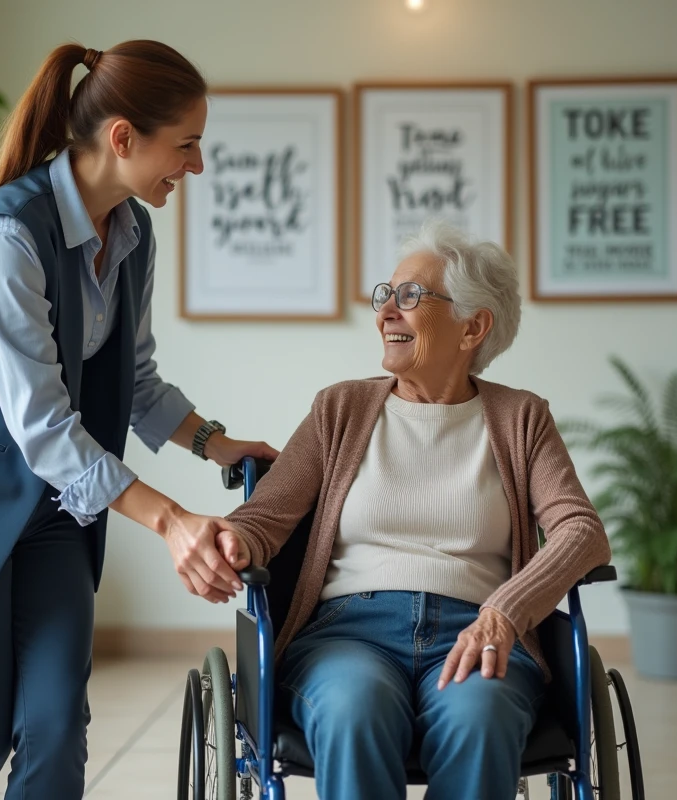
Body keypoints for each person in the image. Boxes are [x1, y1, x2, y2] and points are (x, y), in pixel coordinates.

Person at [0, 40, 276, 800]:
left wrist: (213, 441)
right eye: (185, 145)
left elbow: (134, 378)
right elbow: (46, 425)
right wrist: (171, 521)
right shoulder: (7, 237)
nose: (196, 166)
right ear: (123, 138)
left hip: (50, 507)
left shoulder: (131, 231)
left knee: (56, 728)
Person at [219, 220, 612, 800]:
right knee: (355, 710)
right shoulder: (340, 410)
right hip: (347, 635)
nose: (385, 313)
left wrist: (505, 612)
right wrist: (230, 540)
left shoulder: (522, 419)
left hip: (478, 632)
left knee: (480, 719)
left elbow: (583, 531)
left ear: (474, 326)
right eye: (386, 296)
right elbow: (265, 518)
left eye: (410, 297)